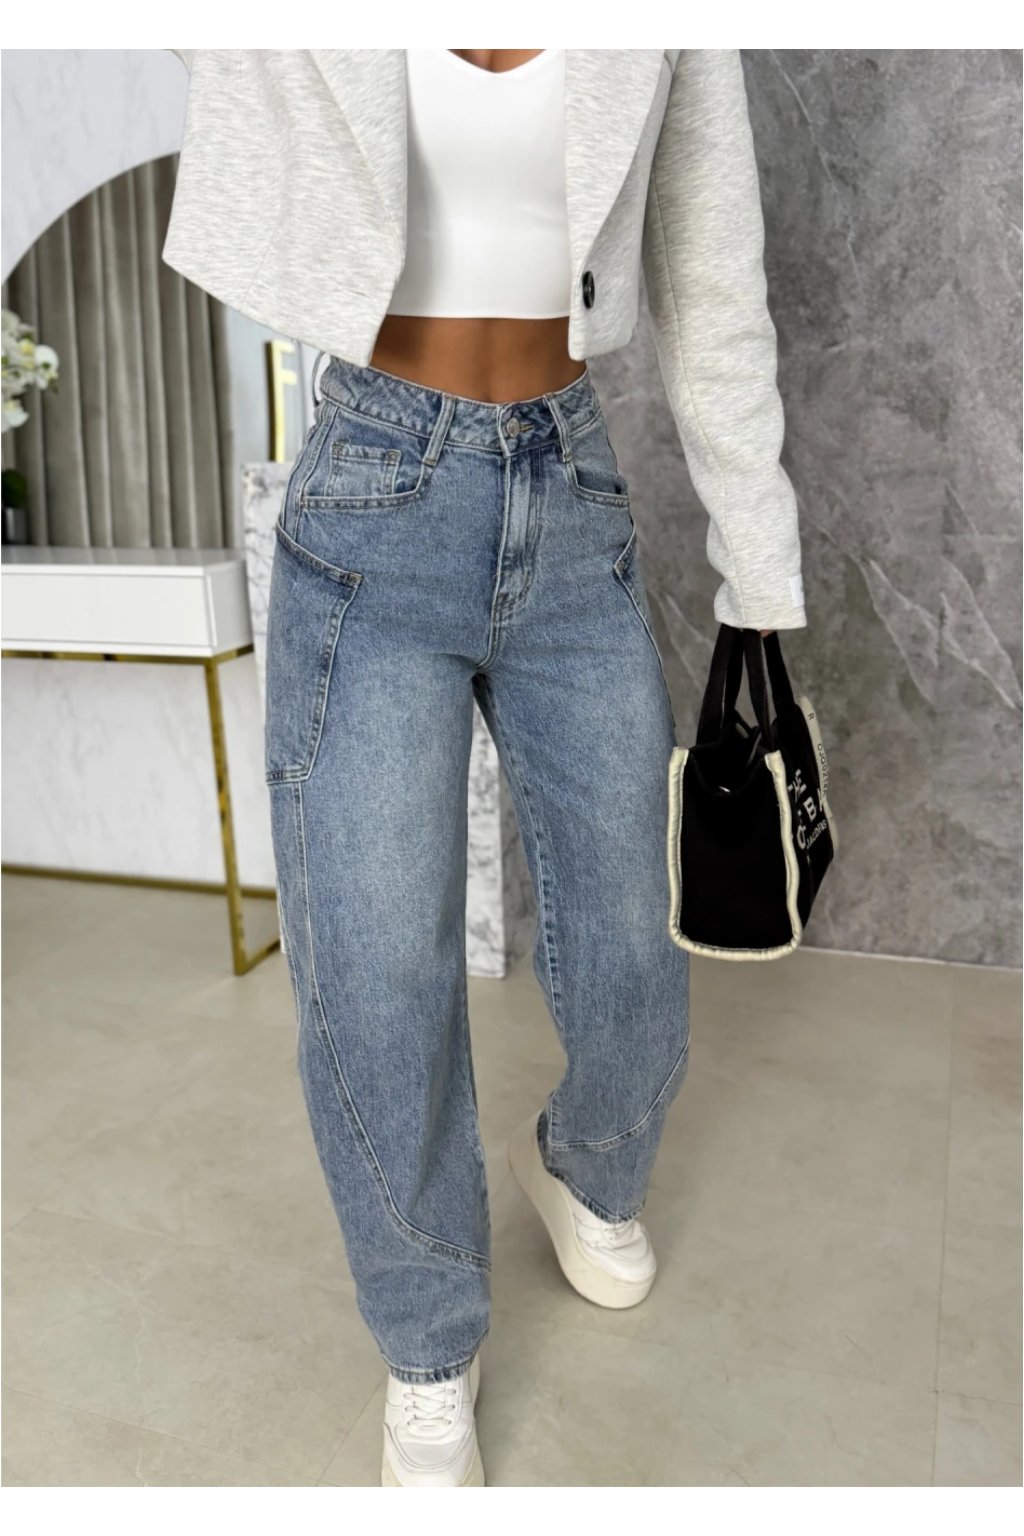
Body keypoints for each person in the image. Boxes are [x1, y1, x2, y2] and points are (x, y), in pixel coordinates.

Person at [164, 48, 807, 1487]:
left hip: (570, 487)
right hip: (372, 487)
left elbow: (714, 275)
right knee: (378, 967)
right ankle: (427, 1341)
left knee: (638, 932)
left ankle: (584, 1160)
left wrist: (758, 567)